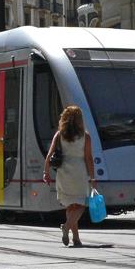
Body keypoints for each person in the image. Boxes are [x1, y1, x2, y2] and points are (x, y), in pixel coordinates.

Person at [42, 105, 96, 247]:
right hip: (79, 171)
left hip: (63, 171)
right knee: (82, 204)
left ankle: (76, 239)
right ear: (79, 120)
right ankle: (66, 227)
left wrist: (46, 172)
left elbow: (49, 155)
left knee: (70, 206)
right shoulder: (86, 136)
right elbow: (89, 158)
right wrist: (93, 177)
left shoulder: (59, 135)